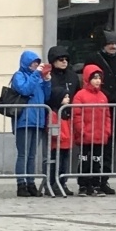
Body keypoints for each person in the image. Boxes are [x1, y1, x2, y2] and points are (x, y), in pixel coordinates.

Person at [9, 51, 49, 197]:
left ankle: (31, 183)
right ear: (27, 62)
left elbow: (46, 96)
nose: (36, 65)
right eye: (33, 62)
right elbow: (25, 90)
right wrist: (36, 75)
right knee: (23, 154)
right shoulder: (19, 75)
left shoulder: (37, 77)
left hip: (37, 119)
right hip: (24, 120)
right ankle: (21, 184)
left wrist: (47, 81)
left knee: (32, 155)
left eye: (38, 62)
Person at [71, 64, 113, 196]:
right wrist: (81, 130)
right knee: (84, 162)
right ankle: (83, 185)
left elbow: (107, 116)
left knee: (96, 161)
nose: (98, 81)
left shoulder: (102, 96)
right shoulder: (80, 95)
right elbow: (77, 115)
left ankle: (96, 184)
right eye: (94, 78)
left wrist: (107, 131)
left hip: (99, 135)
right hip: (85, 136)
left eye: (99, 78)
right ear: (87, 79)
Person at [43, 45, 78, 198]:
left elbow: (75, 93)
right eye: (61, 59)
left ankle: (62, 181)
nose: (64, 62)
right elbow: (47, 94)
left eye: (66, 59)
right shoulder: (49, 75)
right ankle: (51, 182)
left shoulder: (72, 76)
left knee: (65, 153)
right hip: (54, 116)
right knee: (53, 153)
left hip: (68, 117)